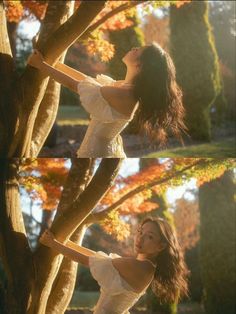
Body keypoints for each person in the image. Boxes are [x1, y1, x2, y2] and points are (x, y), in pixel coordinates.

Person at [28, 43, 187, 157]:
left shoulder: (126, 95)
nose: (134, 47)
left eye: (138, 50)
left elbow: (74, 85)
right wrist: (53, 63)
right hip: (101, 148)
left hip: (96, 152)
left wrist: (41, 65)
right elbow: (86, 80)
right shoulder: (124, 87)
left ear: (139, 65)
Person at [40, 217, 189, 314]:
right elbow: (97, 257)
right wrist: (65, 242)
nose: (140, 238)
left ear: (161, 246)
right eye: (140, 232)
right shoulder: (144, 266)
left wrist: (53, 244)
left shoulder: (140, 267)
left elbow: (88, 261)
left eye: (149, 236)